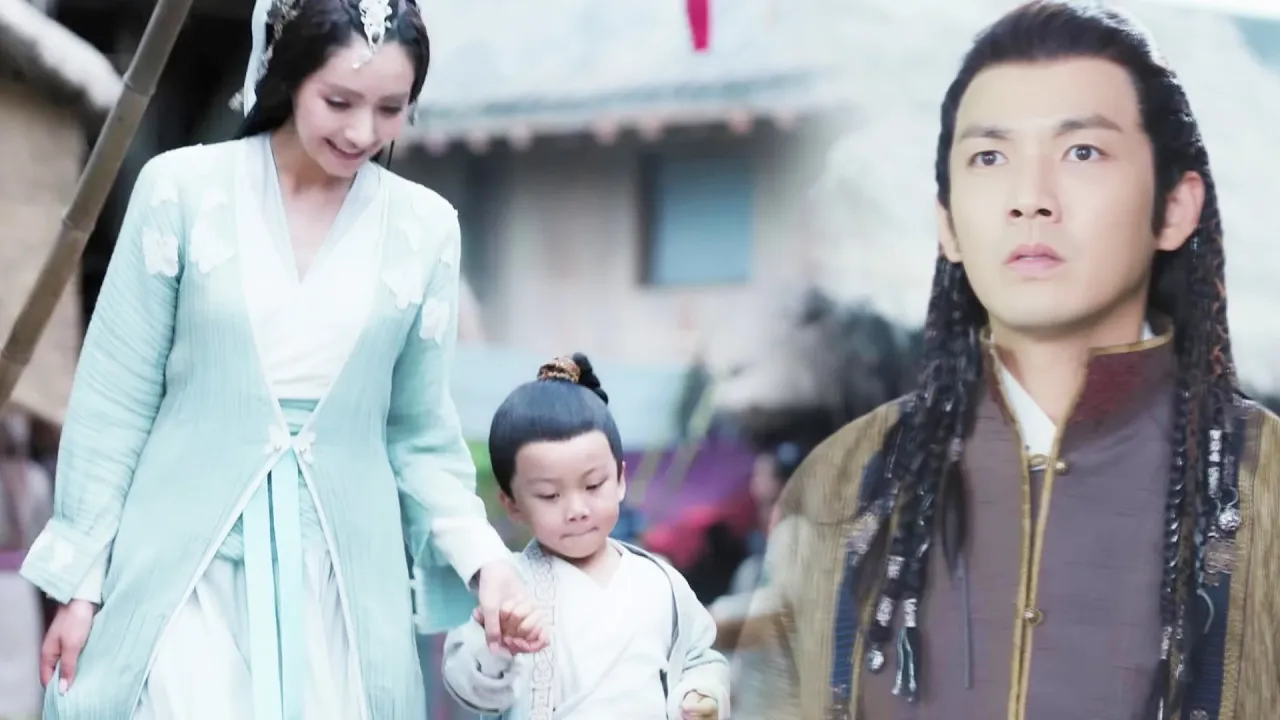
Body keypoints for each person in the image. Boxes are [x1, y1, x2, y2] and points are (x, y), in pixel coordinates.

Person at [729, 2, 1280, 719]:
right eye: (990, 158)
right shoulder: (844, 485)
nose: (1030, 200)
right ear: (949, 224)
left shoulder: (1264, 483)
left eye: (1082, 152)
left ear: (1175, 207)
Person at [19, 1, 544, 718]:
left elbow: (420, 434)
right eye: (339, 102)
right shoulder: (181, 191)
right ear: (285, 73)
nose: (363, 132)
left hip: (340, 591)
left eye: (391, 108)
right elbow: (116, 401)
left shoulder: (425, 229)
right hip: (182, 575)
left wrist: (488, 564)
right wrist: (81, 587)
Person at [441, 354, 731, 720]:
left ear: (620, 479)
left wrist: (701, 695)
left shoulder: (661, 580)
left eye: (593, 485)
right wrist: (498, 644)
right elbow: (466, 684)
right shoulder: (509, 584)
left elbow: (699, 657)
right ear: (512, 504)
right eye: (550, 495)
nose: (577, 509)